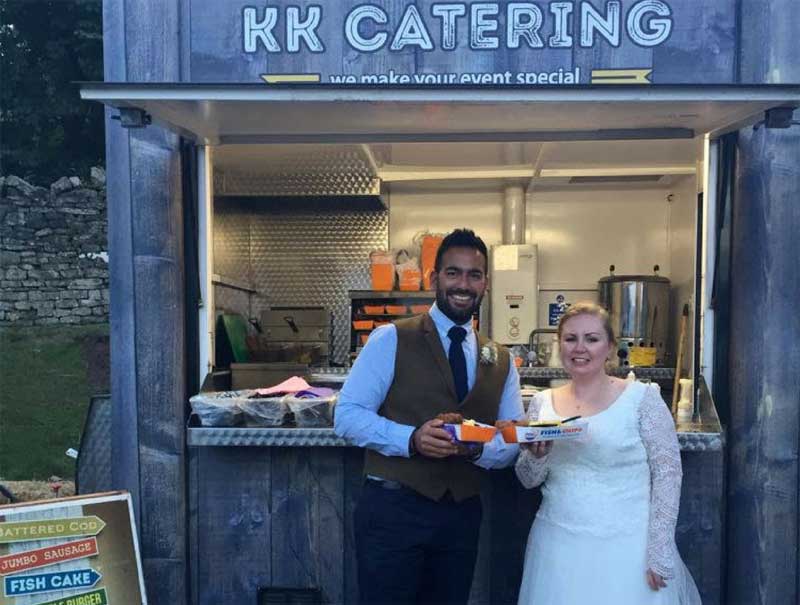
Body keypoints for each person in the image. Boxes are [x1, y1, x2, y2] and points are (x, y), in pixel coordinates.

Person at [335, 228, 523, 605]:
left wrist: (475, 450)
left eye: (474, 274)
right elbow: (347, 416)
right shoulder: (390, 338)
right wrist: (412, 439)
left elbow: (512, 440)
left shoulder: (501, 358)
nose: (463, 284)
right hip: (393, 511)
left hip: (461, 516)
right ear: (435, 279)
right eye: (453, 273)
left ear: (485, 282)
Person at [515, 301, 701, 604]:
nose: (580, 348)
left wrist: (660, 550)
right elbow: (528, 480)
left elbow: (668, 474)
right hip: (558, 546)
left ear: (610, 347)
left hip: (628, 549)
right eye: (571, 338)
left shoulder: (642, 399)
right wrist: (536, 456)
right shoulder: (542, 402)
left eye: (592, 339)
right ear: (559, 344)